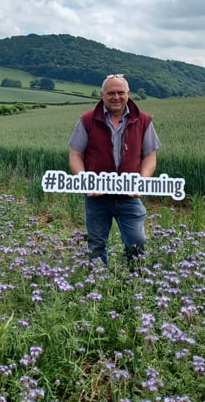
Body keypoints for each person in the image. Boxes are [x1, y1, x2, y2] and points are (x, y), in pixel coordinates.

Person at [68, 74, 161, 265]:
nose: (116, 97)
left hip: (130, 196)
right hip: (96, 196)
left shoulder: (143, 120)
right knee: (96, 243)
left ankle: (132, 278)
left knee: (137, 240)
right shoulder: (87, 120)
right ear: (102, 95)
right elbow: (75, 154)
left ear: (128, 93)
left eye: (120, 92)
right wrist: (85, 182)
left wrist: (141, 182)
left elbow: (150, 156)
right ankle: (98, 281)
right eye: (110, 93)